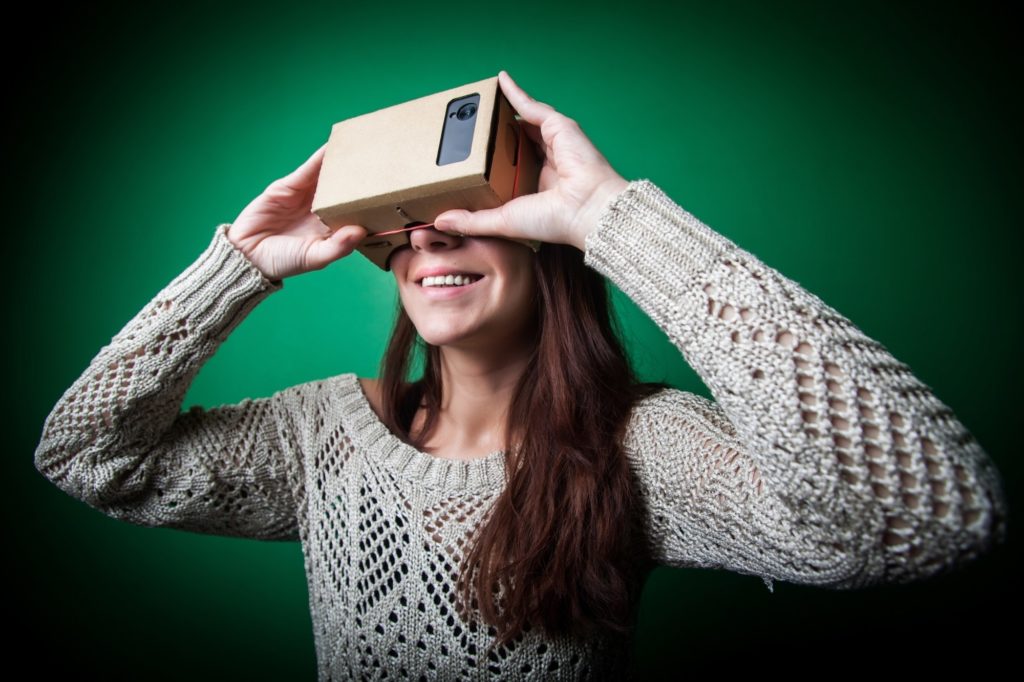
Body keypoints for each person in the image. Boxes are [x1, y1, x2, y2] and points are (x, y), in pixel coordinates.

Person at [34, 70, 1008, 681]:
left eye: (468, 216)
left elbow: (927, 515)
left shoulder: (639, 446)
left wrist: (617, 220)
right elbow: (84, 453)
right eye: (408, 230)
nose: (430, 241)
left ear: (544, 246)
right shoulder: (317, 434)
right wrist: (237, 267)